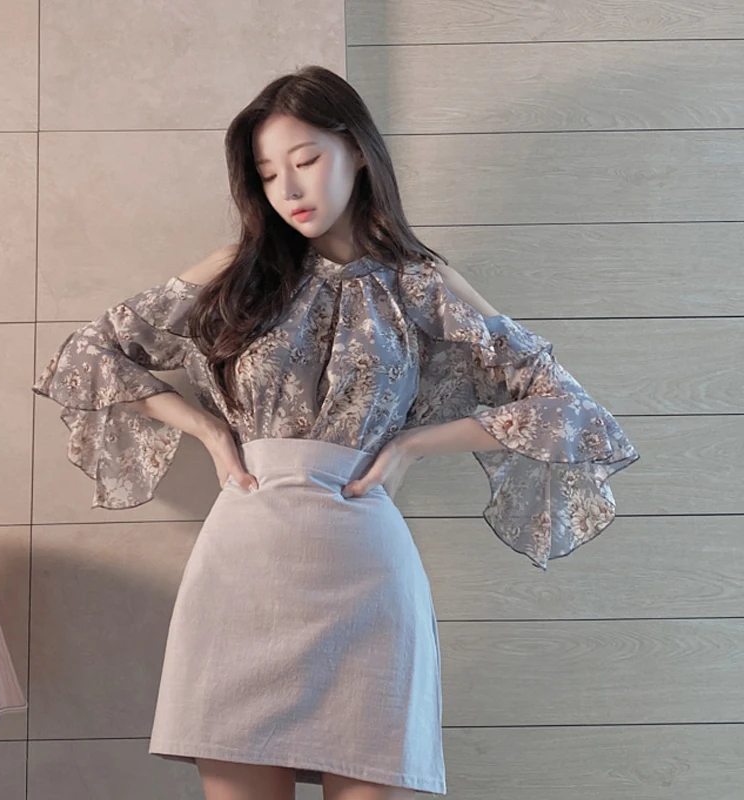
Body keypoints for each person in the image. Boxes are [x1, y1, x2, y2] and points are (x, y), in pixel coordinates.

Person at [32, 65, 641, 800]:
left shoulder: (420, 284)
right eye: (267, 174)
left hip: (365, 573)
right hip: (242, 572)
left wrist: (411, 444)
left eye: (306, 160)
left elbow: (569, 409)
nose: (288, 189)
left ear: (356, 150)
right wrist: (210, 432)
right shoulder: (235, 274)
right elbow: (87, 354)